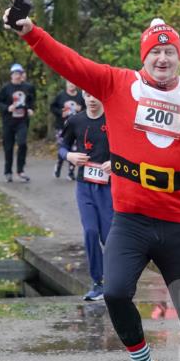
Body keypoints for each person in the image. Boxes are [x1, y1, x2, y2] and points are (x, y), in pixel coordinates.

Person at [6, 1, 180, 361]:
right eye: (156, 51)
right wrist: (31, 32)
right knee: (115, 292)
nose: (163, 58)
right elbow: (70, 63)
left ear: (179, 57)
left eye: (170, 51)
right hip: (131, 219)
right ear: (144, 56)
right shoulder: (117, 84)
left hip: (179, 220)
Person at [60, 90, 113, 301]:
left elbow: (130, 148)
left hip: (108, 187)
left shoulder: (113, 119)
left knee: (108, 237)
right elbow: (62, 147)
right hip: (84, 186)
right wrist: (69, 156)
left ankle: (116, 279)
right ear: (83, 96)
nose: (92, 99)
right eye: (88, 95)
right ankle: (98, 283)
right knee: (90, 231)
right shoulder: (76, 121)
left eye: (95, 95)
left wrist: (116, 163)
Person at [0, 63, 36, 182]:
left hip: (22, 121)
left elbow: (32, 100)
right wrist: (7, 108)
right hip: (8, 122)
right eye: (16, 74)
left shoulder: (28, 87)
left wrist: (31, 109)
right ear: (11, 75)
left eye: (20, 73)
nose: (18, 76)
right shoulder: (6, 88)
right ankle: (8, 171)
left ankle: (20, 170)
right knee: (8, 147)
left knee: (22, 144)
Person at [51, 80, 86, 179]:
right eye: (69, 83)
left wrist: (81, 109)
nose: (71, 84)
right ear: (66, 84)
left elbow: (87, 109)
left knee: (74, 149)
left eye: (73, 83)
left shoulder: (81, 96)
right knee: (63, 147)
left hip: (76, 128)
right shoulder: (61, 95)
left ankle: (71, 172)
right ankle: (58, 165)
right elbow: (52, 107)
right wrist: (60, 113)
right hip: (62, 127)